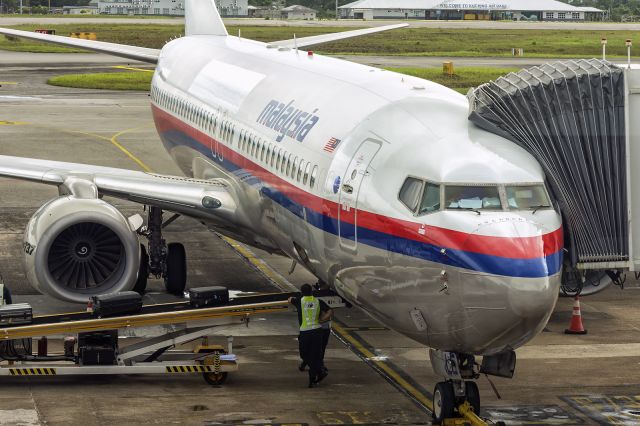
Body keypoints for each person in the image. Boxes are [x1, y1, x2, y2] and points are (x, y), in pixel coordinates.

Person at [289, 283, 331, 388]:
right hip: (317, 332)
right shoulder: (318, 301)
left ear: (302, 292)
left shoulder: (299, 301)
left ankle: (316, 374)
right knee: (315, 355)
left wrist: (293, 298)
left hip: (305, 332)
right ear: (311, 291)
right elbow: (330, 311)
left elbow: (289, 299)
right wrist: (323, 319)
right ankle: (317, 375)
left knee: (304, 354)